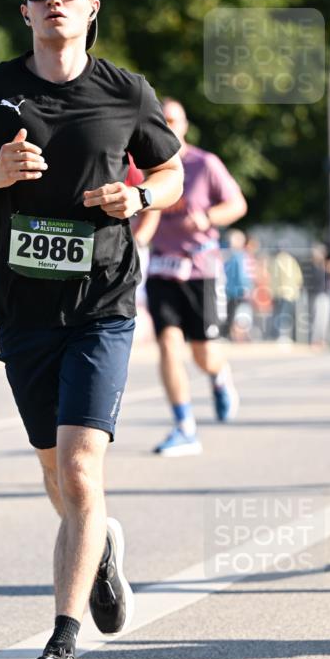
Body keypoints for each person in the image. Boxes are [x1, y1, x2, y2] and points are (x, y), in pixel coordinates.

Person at [0, 0, 183, 659]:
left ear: (91, 6)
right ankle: (99, 542)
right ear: (25, 10)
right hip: (23, 311)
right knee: (57, 473)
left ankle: (61, 645)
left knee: (78, 467)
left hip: (102, 305)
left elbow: (168, 171)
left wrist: (138, 200)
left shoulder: (125, 92)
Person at [133, 100, 247, 457]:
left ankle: (219, 375)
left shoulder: (204, 164)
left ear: (184, 125)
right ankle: (184, 426)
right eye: (161, 120)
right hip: (162, 269)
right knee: (167, 344)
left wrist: (208, 217)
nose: (167, 125)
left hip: (200, 271)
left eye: (172, 120)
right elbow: (141, 223)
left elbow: (237, 205)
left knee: (203, 355)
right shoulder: (145, 169)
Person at [224, 228, 253, 341]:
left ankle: (228, 334)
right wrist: (245, 287)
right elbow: (242, 274)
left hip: (228, 289)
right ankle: (236, 335)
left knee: (230, 313)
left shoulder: (227, 254)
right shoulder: (240, 256)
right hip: (237, 290)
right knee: (239, 313)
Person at [269, 247, 303, 341]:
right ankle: (282, 336)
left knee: (278, 315)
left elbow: (272, 277)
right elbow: (298, 278)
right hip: (289, 294)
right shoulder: (291, 260)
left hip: (278, 293)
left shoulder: (274, 261)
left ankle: (277, 336)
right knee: (285, 316)